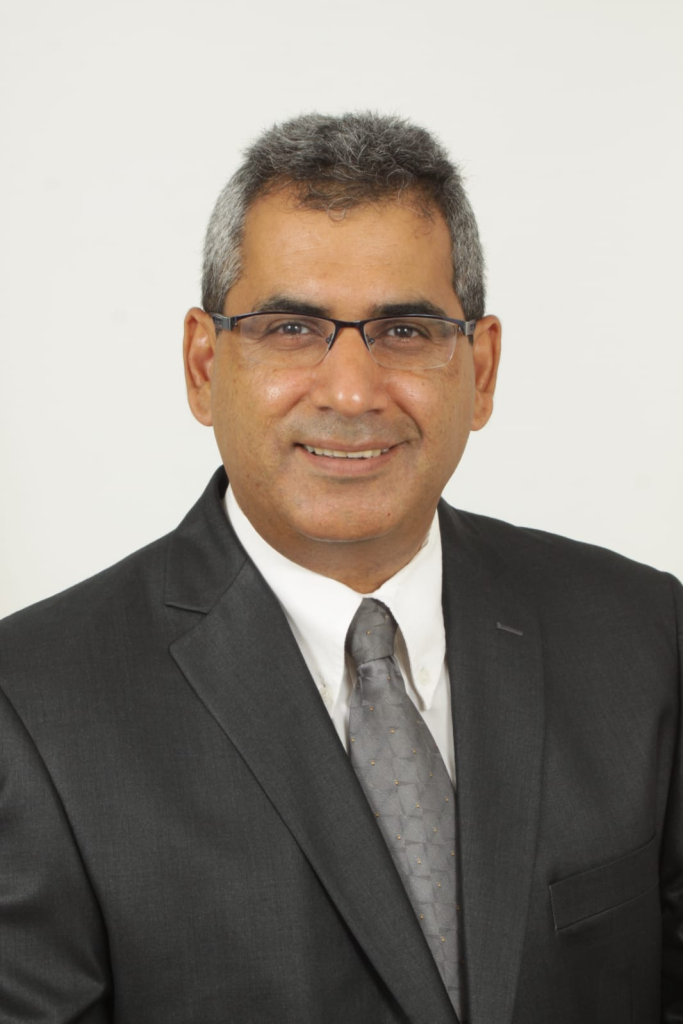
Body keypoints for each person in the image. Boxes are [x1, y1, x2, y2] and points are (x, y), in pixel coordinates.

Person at [0, 112, 681, 1024]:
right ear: (203, 365)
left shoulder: (643, 636)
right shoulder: (32, 705)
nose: (352, 392)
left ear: (479, 370)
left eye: (406, 331)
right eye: (291, 327)